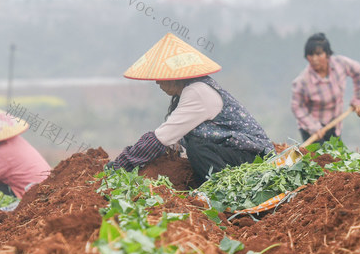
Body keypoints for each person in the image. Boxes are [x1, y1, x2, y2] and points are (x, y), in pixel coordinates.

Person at [107, 33, 274, 183]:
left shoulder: (197, 92)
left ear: (176, 76)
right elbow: (173, 140)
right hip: (239, 153)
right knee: (194, 145)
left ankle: (223, 190)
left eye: (161, 77)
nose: (157, 82)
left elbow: (163, 137)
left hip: (256, 158)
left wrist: (121, 165)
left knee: (198, 148)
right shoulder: (192, 90)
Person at [291, 32, 360, 144]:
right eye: (310, 55)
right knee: (317, 159)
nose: (314, 59)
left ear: (327, 54)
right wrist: (313, 127)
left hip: (334, 124)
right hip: (312, 130)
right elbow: (297, 107)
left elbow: (358, 71)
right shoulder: (302, 81)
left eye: (318, 54)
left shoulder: (340, 64)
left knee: (337, 157)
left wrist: (359, 98)